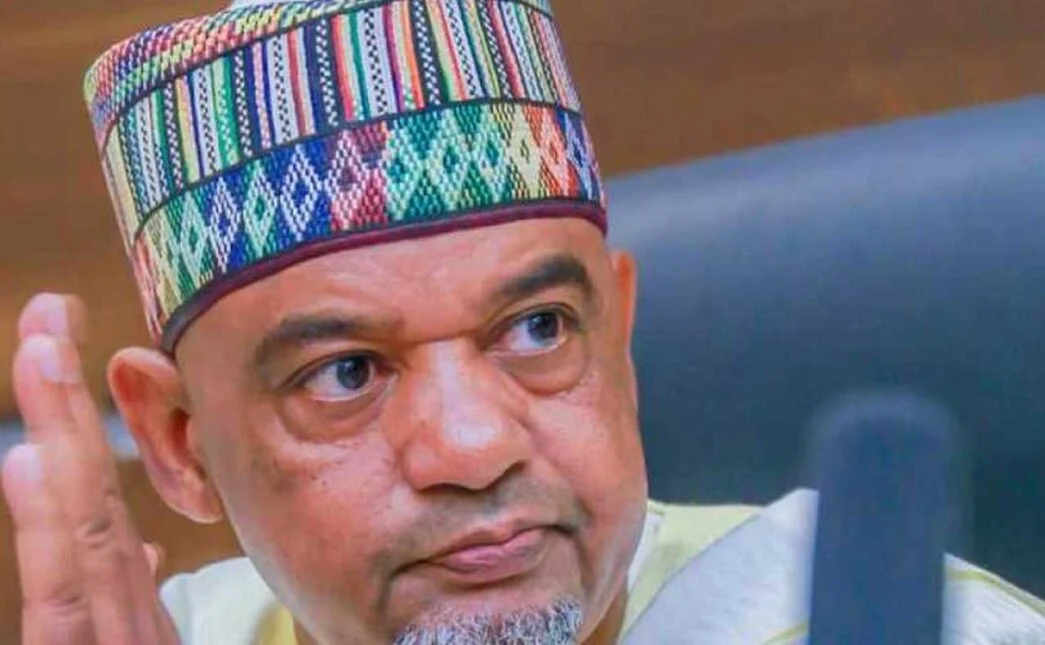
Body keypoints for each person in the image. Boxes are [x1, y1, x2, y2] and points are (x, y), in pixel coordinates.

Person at [2, 0, 1043, 643]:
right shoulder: (178, 637)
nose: (474, 445)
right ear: (180, 444)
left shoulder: (890, 623)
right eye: (345, 373)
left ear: (616, 337)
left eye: (538, 329)